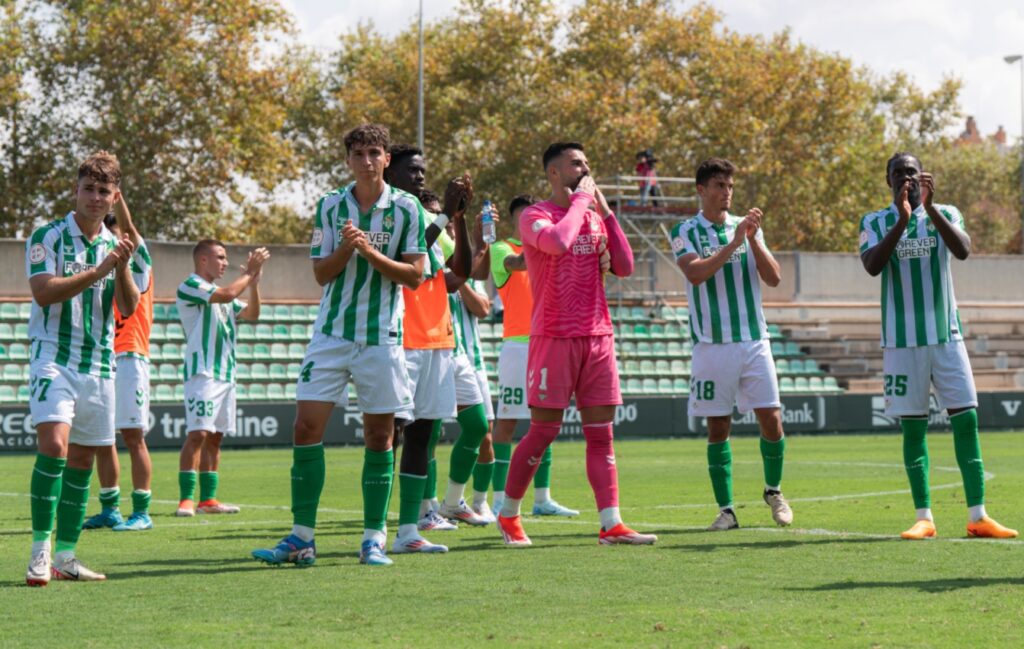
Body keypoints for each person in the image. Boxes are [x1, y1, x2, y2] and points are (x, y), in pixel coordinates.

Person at [252, 124, 427, 568]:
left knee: (379, 436)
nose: (366, 161)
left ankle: (373, 539)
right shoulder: (330, 205)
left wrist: (370, 253)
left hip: (380, 338)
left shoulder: (407, 208)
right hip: (330, 335)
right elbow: (320, 274)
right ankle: (301, 537)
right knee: (305, 429)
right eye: (357, 154)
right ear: (348, 160)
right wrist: (349, 250)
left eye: (373, 153)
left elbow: (415, 276)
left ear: (386, 158)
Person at [496, 142, 655, 547]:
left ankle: (611, 523)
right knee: (543, 432)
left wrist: (605, 212)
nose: (585, 169)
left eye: (586, 163)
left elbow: (625, 266)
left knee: (601, 434)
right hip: (554, 337)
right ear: (554, 173)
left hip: (597, 335)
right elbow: (557, 244)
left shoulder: (592, 215)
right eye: (576, 164)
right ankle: (509, 513)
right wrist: (582, 201)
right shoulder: (535, 216)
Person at [859, 152, 1017, 540]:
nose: (905, 179)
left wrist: (928, 210)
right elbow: (873, 265)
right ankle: (924, 517)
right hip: (901, 343)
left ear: (924, 177)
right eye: (898, 174)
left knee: (967, 421)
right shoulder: (874, 221)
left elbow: (963, 250)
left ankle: (978, 515)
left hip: (947, 337)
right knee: (914, 430)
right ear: (888, 180)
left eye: (911, 173)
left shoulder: (946, 212)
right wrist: (903, 219)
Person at [24, 151, 143, 585]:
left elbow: (128, 307)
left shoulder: (115, 246)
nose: (95, 198)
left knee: (83, 460)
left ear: (114, 198)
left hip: (100, 365)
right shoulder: (48, 236)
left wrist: (122, 266)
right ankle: (41, 552)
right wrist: (100, 270)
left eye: (103, 191)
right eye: (88, 189)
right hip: (53, 358)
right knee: (54, 446)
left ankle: (67, 556)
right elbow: (43, 292)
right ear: (75, 191)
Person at [669, 157, 793, 531]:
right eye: (719, 186)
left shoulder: (746, 228)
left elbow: (773, 278)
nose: (726, 193)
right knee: (718, 427)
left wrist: (752, 239)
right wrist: (735, 242)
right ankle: (726, 510)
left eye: (730, 187)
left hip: (755, 340)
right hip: (712, 344)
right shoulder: (684, 229)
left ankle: (773, 491)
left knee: (771, 420)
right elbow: (695, 274)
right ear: (701, 190)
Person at [385, 150, 483, 552]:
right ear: (390, 171)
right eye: (412, 170)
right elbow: (400, 261)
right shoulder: (388, 215)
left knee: (423, 437)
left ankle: (410, 529)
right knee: (388, 435)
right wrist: (443, 218)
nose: (421, 177)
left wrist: (457, 220)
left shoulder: (431, 220)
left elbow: (459, 275)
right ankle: (375, 525)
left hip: (437, 339)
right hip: (400, 337)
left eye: (424, 170)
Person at [489, 194, 578, 518]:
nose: (534, 223)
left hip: (549, 342)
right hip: (517, 346)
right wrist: (548, 242)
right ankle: (499, 497)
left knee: (546, 421)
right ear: (517, 221)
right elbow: (518, 264)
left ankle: (542, 499)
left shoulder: (549, 251)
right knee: (507, 423)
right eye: (528, 218)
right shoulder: (503, 249)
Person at [174, 239, 269, 517]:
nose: (225, 263)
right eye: (220, 257)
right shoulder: (191, 285)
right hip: (202, 372)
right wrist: (248, 273)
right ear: (203, 260)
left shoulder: (220, 293)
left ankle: (208, 500)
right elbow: (227, 294)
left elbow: (252, 314)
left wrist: (254, 284)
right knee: (198, 434)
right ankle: (186, 499)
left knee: (215, 437)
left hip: (226, 374)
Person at [82, 202, 156, 532]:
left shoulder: (137, 260)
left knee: (133, 436)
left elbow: (132, 231)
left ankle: (142, 510)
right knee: (102, 438)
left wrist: (118, 196)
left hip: (131, 358)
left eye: (116, 236)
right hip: (107, 359)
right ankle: (110, 507)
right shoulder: (104, 265)